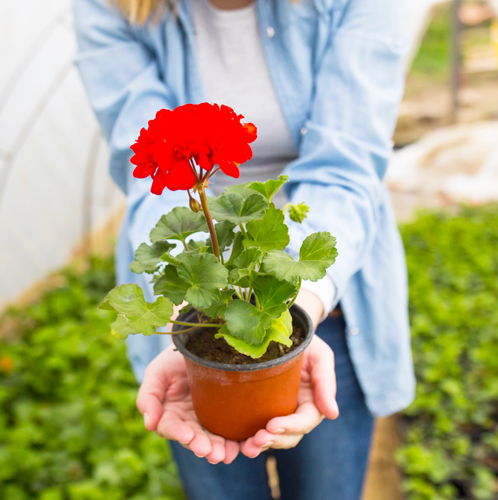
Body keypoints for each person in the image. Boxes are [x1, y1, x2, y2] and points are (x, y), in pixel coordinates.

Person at [73, 0, 415, 497]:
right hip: (197, 314)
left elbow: (345, 167)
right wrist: (193, 305)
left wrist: (291, 303)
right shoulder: (111, 7)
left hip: (328, 297)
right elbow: (150, 170)